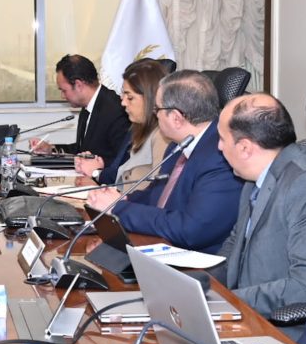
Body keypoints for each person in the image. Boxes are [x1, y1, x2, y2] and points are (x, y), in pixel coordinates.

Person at [87, 70, 242, 253]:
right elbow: (157, 194)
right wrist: (121, 198)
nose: (155, 115)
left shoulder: (220, 157)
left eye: (157, 109)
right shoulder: (179, 144)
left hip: (194, 261)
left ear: (176, 118)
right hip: (161, 245)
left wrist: (119, 208)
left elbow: (191, 230)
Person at [213, 93, 306, 340]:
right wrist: (197, 285)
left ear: (245, 147)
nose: (219, 147)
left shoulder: (304, 184)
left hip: (281, 333)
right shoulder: (254, 177)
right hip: (243, 316)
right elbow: (234, 245)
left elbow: (305, 287)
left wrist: (227, 300)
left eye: (222, 138)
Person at [75, 59, 170, 189]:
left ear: (150, 98)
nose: (123, 103)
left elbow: (157, 190)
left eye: (130, 97)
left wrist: (97, 175)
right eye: (123, 95)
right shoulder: (136, 128)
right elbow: (120, 173)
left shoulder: (163, 136)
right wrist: (98, 171)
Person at [30, 54, 130, 166]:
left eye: (64, 90)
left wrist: (97, 167)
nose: (62, 96)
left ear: (78, 85)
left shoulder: (116, 111)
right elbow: (81, 150)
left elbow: (123, 161)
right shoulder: (88, 107)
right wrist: (50, 150)